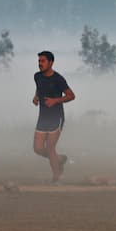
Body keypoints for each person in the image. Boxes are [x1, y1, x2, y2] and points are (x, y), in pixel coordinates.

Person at [33, 51, 75, 183]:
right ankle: (59, 159)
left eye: (43, 61)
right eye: (39, 61)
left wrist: (54, 101)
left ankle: (57, 177)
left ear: (51, 63)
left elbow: (71, 96)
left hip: (56, 117)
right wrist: (36, 96)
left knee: (50, 148)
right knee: (38, 148)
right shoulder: (37, 76)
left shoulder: (58, 79)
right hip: (43, 117)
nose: (40, 64)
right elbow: (39, 88)